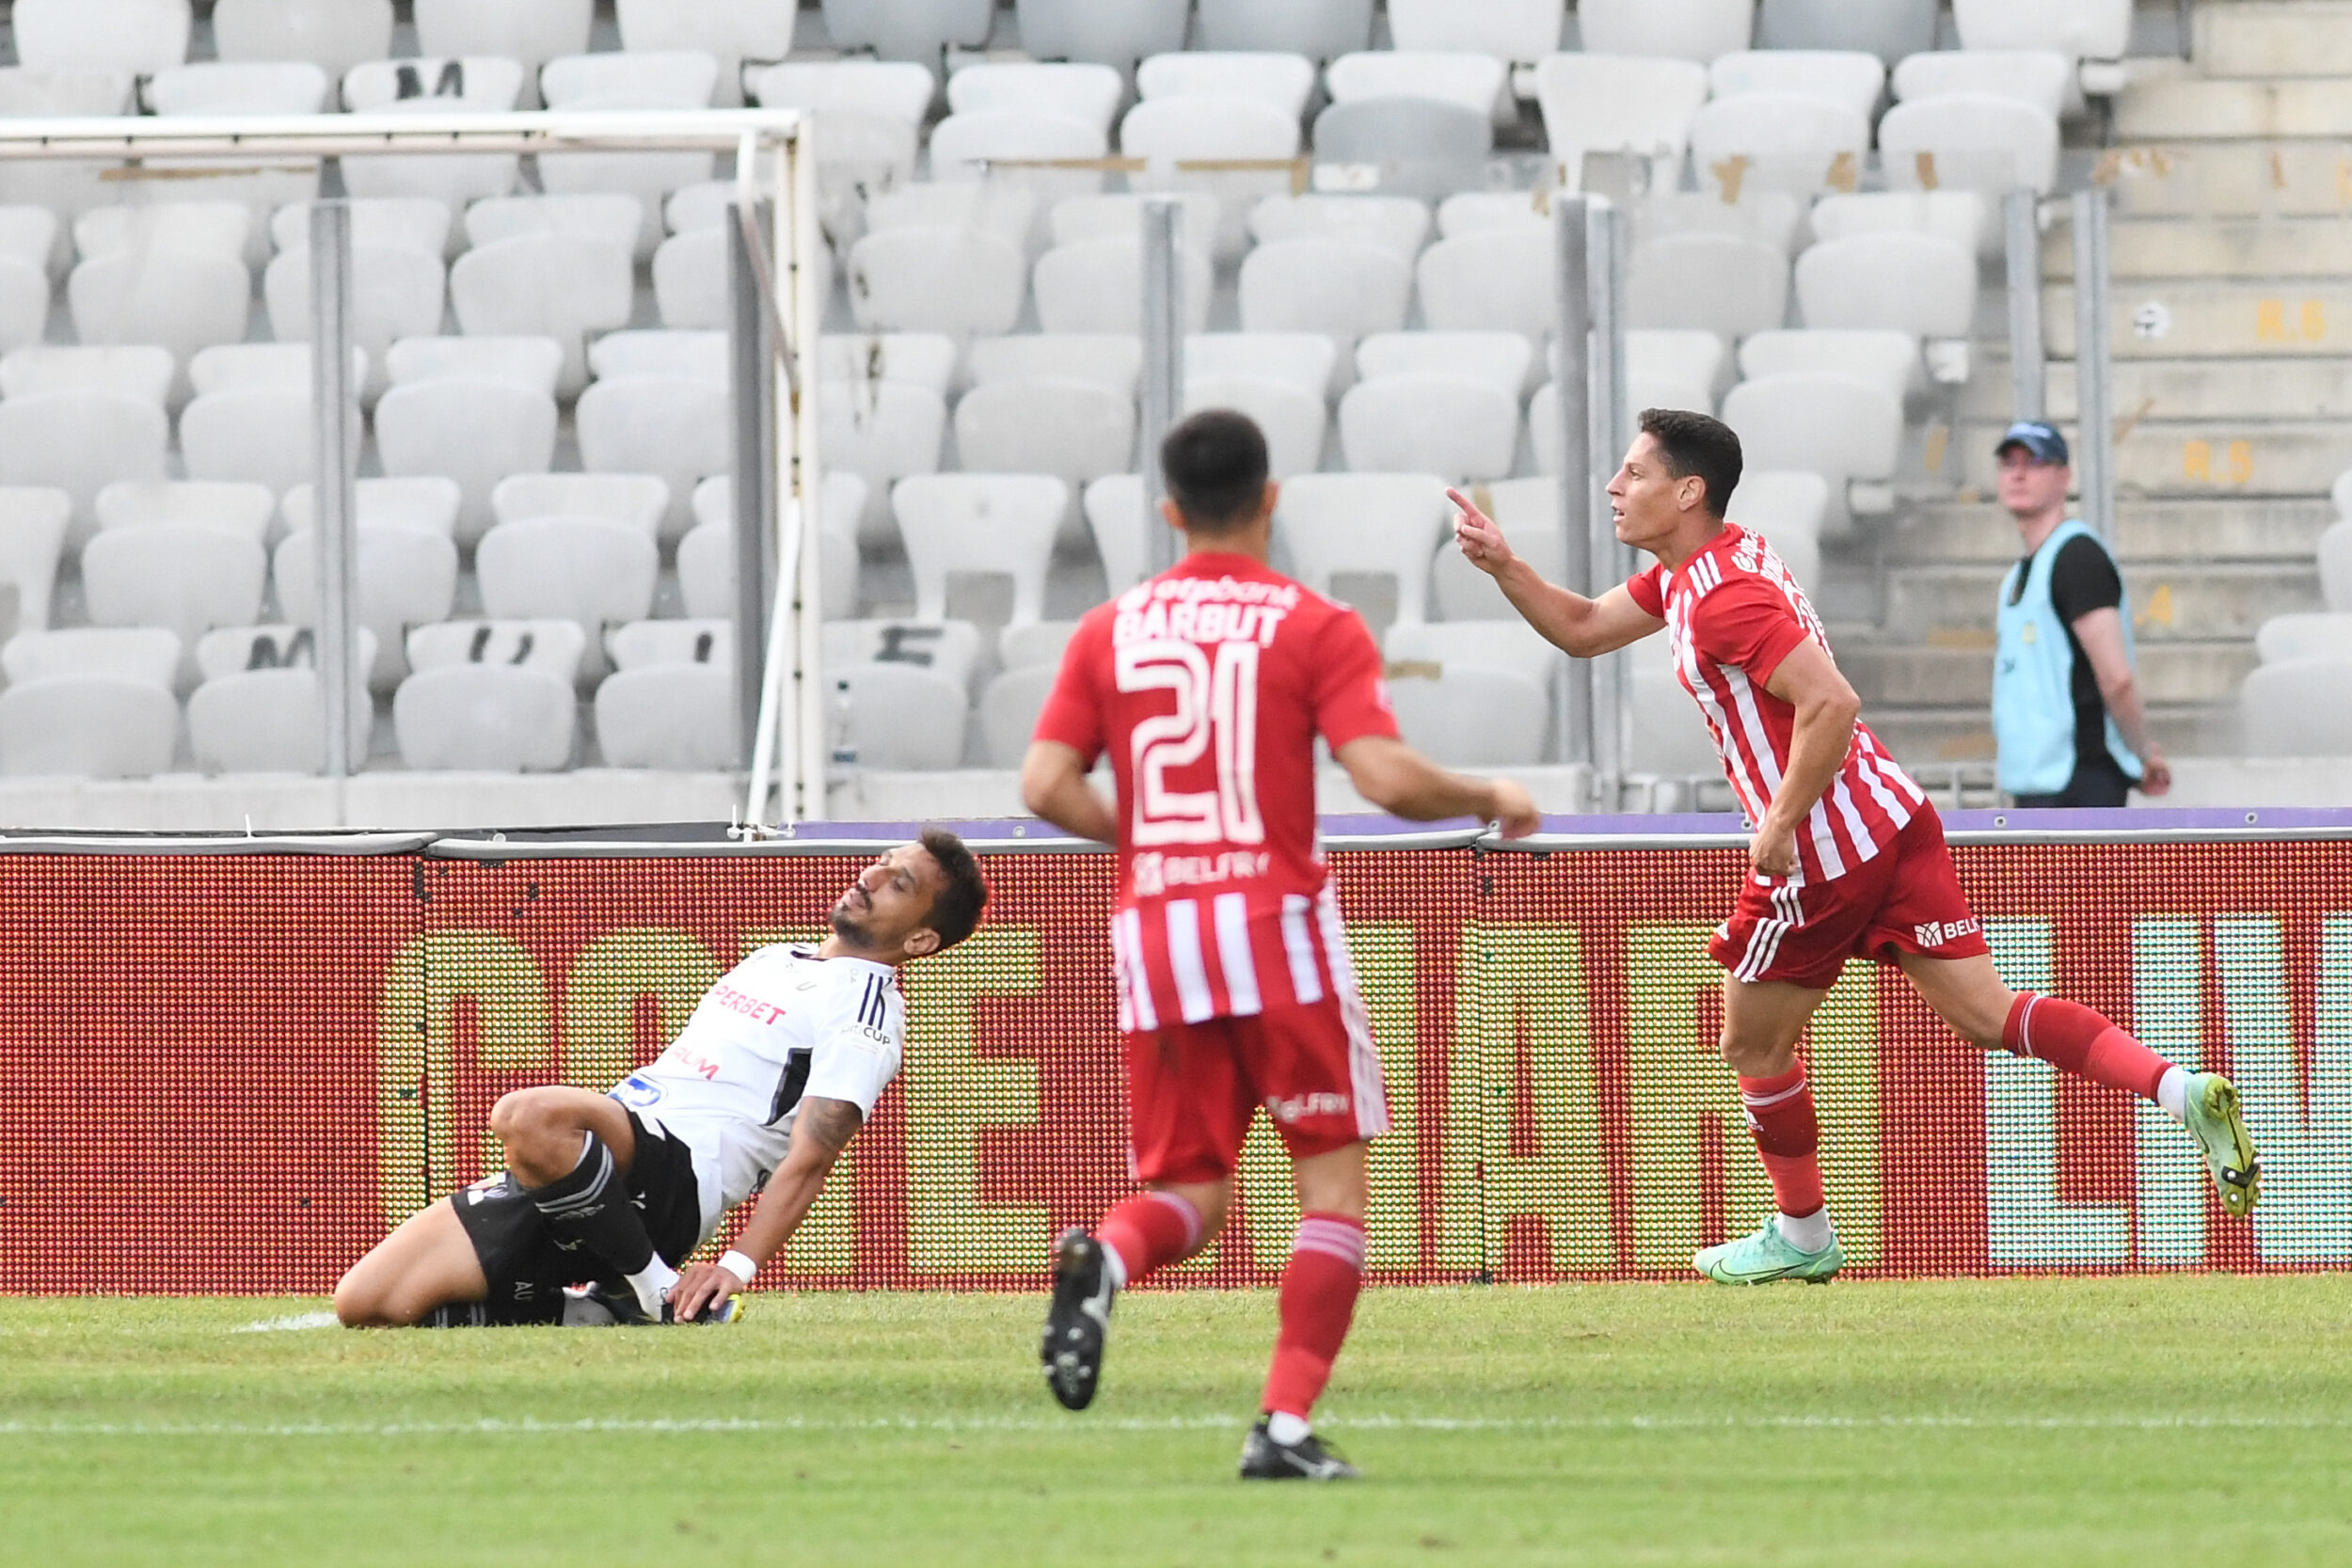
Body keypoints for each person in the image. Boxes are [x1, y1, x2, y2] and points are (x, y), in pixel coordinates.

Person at [1449, 407, 2257, 1287]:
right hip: (1892, 816)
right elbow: (1581, 628)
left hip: (1824, 851)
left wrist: (1779, 821)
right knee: (1987, 1015)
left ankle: (1803, 1233)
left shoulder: (1721, 598)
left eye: (1634, 473)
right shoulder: (1703, 568)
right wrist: (1505, 565)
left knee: (1751, 1047)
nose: (1614, 486)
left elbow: (1832, 701)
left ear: (1687, 493)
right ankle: (2180, 1089)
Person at [1022, 408, 1541, 1481]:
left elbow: (1043, 784)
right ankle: (1286, 1428)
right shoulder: (1313, 623)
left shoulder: (1110, 629)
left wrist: (1159, 838)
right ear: (1270, 499)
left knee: (1190, 1191)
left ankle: (1107, 1258)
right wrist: (1489, 793)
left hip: (1160, 933)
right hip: (1276, 934)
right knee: (1332, 1192)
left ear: (1168, 510)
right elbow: (1383, 776)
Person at [333, 831, 988, 1328]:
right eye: (881, 861)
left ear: (921, 940)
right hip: (604, 1176)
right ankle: (596, 1311)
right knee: (367, 1303)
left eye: (899, 883)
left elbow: (815, 1153)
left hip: (678, 1177)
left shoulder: (865, 1010)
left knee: (527, 1115)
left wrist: (736, 1264)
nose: (871, 876)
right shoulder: (776, 957)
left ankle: (655, 1288)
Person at [1992, 420, 2172, 808]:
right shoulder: (2018, 576)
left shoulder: (2077, 558)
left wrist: (2142, 754)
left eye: (2034, 462)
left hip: (2080, 780)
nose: (2018, 474)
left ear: (2064, 476)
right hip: (2037, 782)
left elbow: (2116, 679)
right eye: (2009, 463)